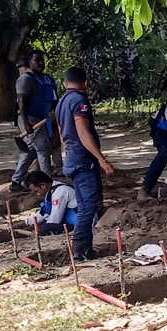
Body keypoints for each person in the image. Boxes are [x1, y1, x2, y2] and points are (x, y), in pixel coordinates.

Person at [55, 66, 114, 261]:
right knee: (89, 208)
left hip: (72, 159)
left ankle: (84, 250)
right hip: (84, 161)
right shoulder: (80, 101)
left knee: (85, 206)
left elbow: (62, 133)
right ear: (85, 83)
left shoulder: (61, 102)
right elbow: (83, 132)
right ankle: (81, 252)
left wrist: (69, 150)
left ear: (65, 83)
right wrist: (101, 159)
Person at [11, 50, 59, 194]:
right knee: (43, 149)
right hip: (30, 118)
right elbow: (21, 102)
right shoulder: (26, 79)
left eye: (42, 60)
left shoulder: (46, 79)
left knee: (30, 151)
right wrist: (26, 123)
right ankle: (47, 183)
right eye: (36, 60)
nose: (40, 63)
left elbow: (53, 99)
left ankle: (16, 181)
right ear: (29, 63)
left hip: (42, 118)